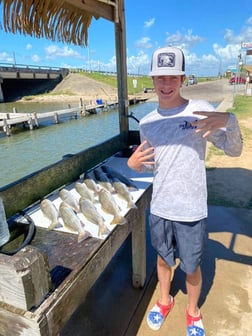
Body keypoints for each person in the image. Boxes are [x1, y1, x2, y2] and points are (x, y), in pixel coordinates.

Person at [127, 46, 243, 335]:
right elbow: (152, 164)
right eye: (160, 78)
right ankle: (164, 300)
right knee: (163, 260)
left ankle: (192, 311)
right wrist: (133, 164)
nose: (166, 85)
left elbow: (234, 150)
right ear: (152, 80)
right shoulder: (148, 123)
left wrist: (230, 121)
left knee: (192, 266)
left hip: (191, 208)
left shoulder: (198, 110)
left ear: (182, 79)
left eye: (172, 78)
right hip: (162, 206)